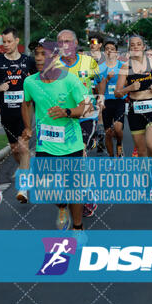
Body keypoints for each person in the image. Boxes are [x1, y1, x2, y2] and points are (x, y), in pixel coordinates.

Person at [21, 39, 87, 230]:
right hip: (46, 144)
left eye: (44, 54)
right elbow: (26, 103)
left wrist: (67, 111)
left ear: (55, 56)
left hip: (71, 144)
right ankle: (60, 204)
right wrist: (27, 127)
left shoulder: (70, 80)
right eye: (37, 54)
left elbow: (86, 107)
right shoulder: (30, 82)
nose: (39, 58)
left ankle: (77, 227)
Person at [55, 29, 101, 217]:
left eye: (68, 41)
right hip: (64, 117)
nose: (65, 45)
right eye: (61, 42)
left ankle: (87, 195)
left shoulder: (88, 62)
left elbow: (100, 80)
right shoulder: (54, 65)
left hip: (86, 114)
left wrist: (101, 98)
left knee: (80, 153)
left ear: (74, 44)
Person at [0, 27, 36, 203]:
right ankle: (28, 170)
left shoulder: (29, 61)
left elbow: (40, 82)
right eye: (3, 42)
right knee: (15, 150)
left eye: (9, 41)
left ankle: (23, 189)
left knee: (23, 146)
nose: (6, 45)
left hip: (24, 112)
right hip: (6, 113)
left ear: (17, 41)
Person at [115, 35, 152, 157]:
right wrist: (129, 88)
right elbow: (117, 93)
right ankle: (147, 175)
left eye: (138, 44)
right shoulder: (125, 66)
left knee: (151, 145)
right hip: (135, 110)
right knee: (141, 151)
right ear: (129, 49)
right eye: (132, 45)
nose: (135, 47)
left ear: (143, 47)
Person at [98, 40, 126, 157]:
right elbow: (98, 87)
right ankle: (111, 157)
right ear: (104, 52)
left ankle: (119, 143)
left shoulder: (122, 66)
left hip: (119, 100)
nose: (109, 51)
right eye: (107, 49)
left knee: (118, 128)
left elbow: (128, 82)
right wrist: (107, 79)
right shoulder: (100, 68)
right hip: (107, 102)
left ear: (116, 52)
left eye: (112, 49)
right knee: (108, 132)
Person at [88, 31, 106, 153]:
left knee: (100, 115)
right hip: (88, 91)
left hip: (103, 90)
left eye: (94, 42)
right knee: (91, 115)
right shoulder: (86, 58)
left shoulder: (106, 59)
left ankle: (101, 138)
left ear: (100, 45)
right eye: (90, 42)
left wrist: (102, 96)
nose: (92, 45)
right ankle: (94, 137)